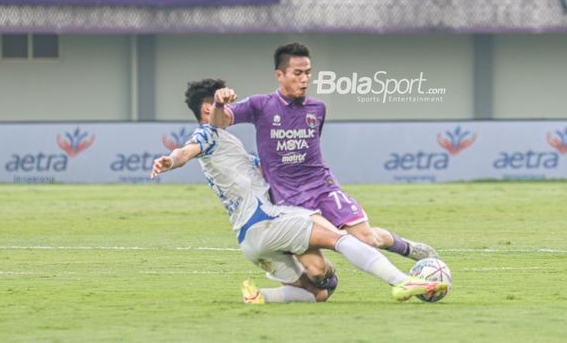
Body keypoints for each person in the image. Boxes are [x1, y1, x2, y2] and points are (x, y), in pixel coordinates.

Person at [150, 78, 445, 304]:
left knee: (320, 288)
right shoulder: (208, 134)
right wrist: (171, 160)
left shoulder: (230, 148)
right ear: (208, 107)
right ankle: (401, 280)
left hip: (249, 242)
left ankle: (261, 294)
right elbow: (187, 150)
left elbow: (267, 169)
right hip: (266, 220)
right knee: (339, 238)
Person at [209, 42, 439, 262]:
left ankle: (407, 247)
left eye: (308, 73)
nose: (305, 79)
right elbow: (219, 122)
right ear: (279, 75)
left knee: (367, 239)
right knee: (334, 250)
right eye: (297, 73)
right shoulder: (260, 105)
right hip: (288, 197)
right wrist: (219, 104)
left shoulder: (318, 108)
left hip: (323, 186)